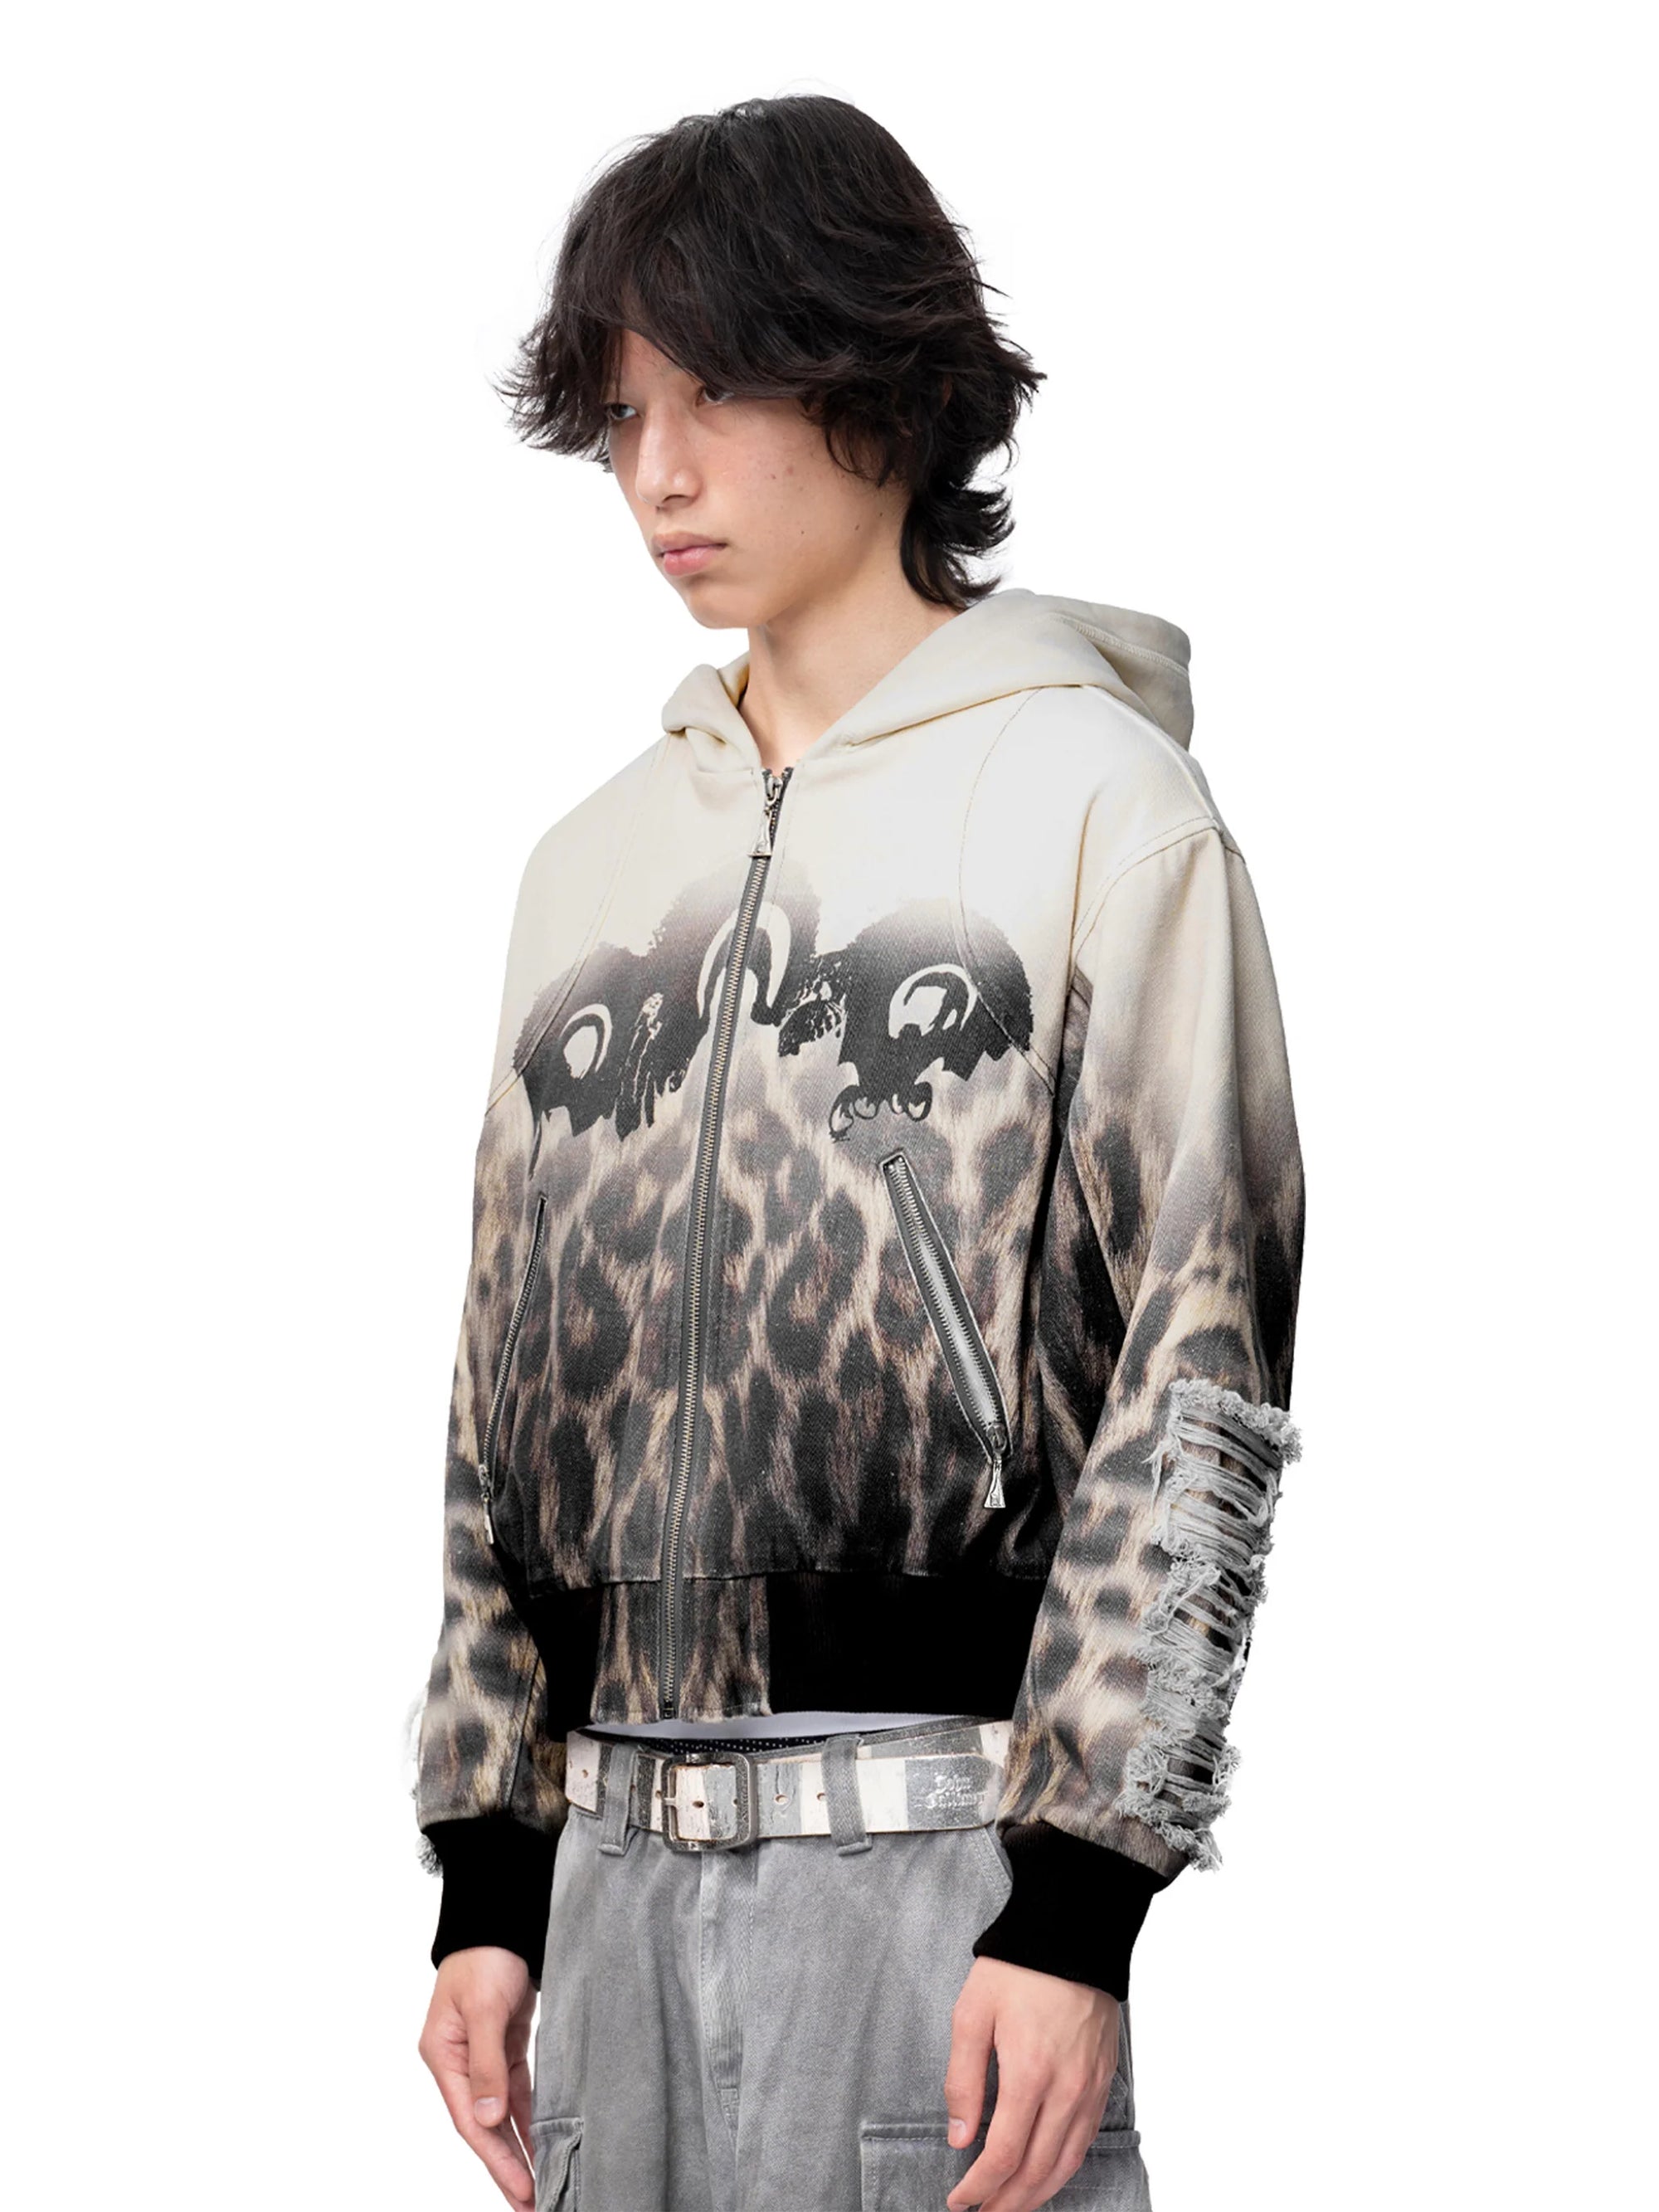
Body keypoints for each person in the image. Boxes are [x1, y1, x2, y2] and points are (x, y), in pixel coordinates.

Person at [408, 92, 1305, 2212]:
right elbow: (496, 1399)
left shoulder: (1104, 813)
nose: (657, 471)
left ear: (883, 384)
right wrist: (488, 1872)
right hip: (607, 1890)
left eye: (713, 392)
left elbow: (1199, 1370)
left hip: (943, 1875)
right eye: (621, 412)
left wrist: (1078, 1903)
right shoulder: (586, 872)